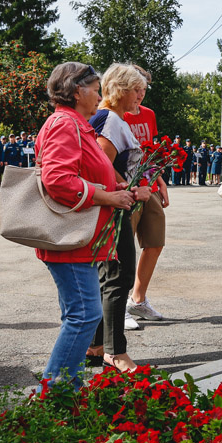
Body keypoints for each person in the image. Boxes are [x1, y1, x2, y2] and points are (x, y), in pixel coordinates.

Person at [35, 62, 143, 388]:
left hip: (78, 240)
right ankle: (58, 391)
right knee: (83, 316)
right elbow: (58, 180)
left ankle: (64, 390)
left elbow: (84, 174)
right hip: (69, 241)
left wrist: (119, 190)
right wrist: (108, 198)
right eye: (95, 89)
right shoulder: (64, 124)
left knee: (83, 316)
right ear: (77, 90)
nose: (99, 95)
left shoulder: (75, 124)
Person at [86, 63, 153, 372]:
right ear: (121, 90)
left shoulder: (113, 118)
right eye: (137, 89)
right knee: (118, 276)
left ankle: (97, 346)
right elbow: (99, 164)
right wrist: (128, 187)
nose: (141, 95)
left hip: (115, 206)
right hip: (112, 208)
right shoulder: (110, 119)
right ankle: (115, 351)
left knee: (110, 277)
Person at [120, 65, 171, 327]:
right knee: (123, 247)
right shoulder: (116, 115)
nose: (140, 95)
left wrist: (160, 180)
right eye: (136, 89)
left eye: (144, 89)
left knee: (155, 240)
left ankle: (137, 300)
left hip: (148, 184)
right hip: (126, 188)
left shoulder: (148, 115)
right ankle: (118, 306)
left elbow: (149, 153)